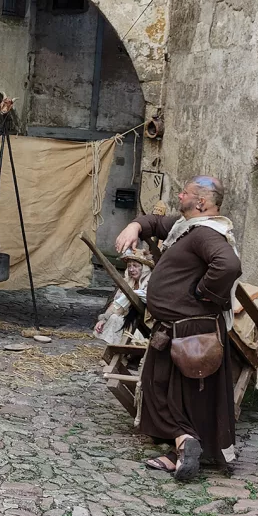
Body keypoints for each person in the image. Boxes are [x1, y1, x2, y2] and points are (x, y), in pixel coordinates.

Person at [114, 175, 242, 482]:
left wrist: (202, 293)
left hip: (191, 328)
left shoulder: (205, 235)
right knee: (162, 387)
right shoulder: (186, 228)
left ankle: (183, 449)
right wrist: (135, 226)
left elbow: (228, 266)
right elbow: (156, 223)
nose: (179, 195)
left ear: (200, 202)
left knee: (182, 393)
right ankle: (184, 444)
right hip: (176, 326)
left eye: (185, 192)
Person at [93, 248, 153, 344]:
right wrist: (104, 319)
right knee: (114, 318)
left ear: (144, 268)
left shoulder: (151, 283)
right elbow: (117, 302)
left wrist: (135, 295)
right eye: (129, 266)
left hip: (145, 327)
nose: (131, 269)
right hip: (128, 322)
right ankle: (117, 351)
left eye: (135, 266)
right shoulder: (128, 282)